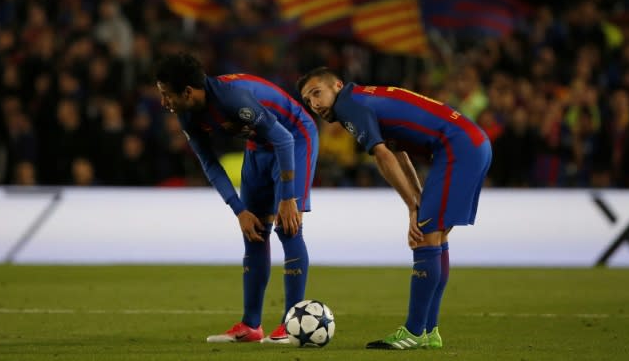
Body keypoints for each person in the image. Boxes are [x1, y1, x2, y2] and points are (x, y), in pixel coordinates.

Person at [297, 67, 492, 350]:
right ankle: (428, 331)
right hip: (470, 142)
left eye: (317, 93)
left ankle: (414, 330)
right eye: (307, 100)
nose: (314, 104)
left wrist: (414, 206)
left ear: (337, 86)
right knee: (435, 236)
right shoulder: (364, 99)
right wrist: (417, 200)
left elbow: (383, 156)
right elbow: (398, 152)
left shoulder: (349, 105)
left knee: (425, 236)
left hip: (457, 147)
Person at [155, 53, 318, 344]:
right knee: (254, 232)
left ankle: (292, 325)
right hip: (259, 145)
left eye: (167, 95)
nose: (164, 102)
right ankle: (251, 326)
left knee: (288, 226)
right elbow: (209, 163)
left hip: (294, 137)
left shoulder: (232, 99)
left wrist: (287, 197)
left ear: (187, 92)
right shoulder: (187, 114)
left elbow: (283, 139)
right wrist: (239, 209)